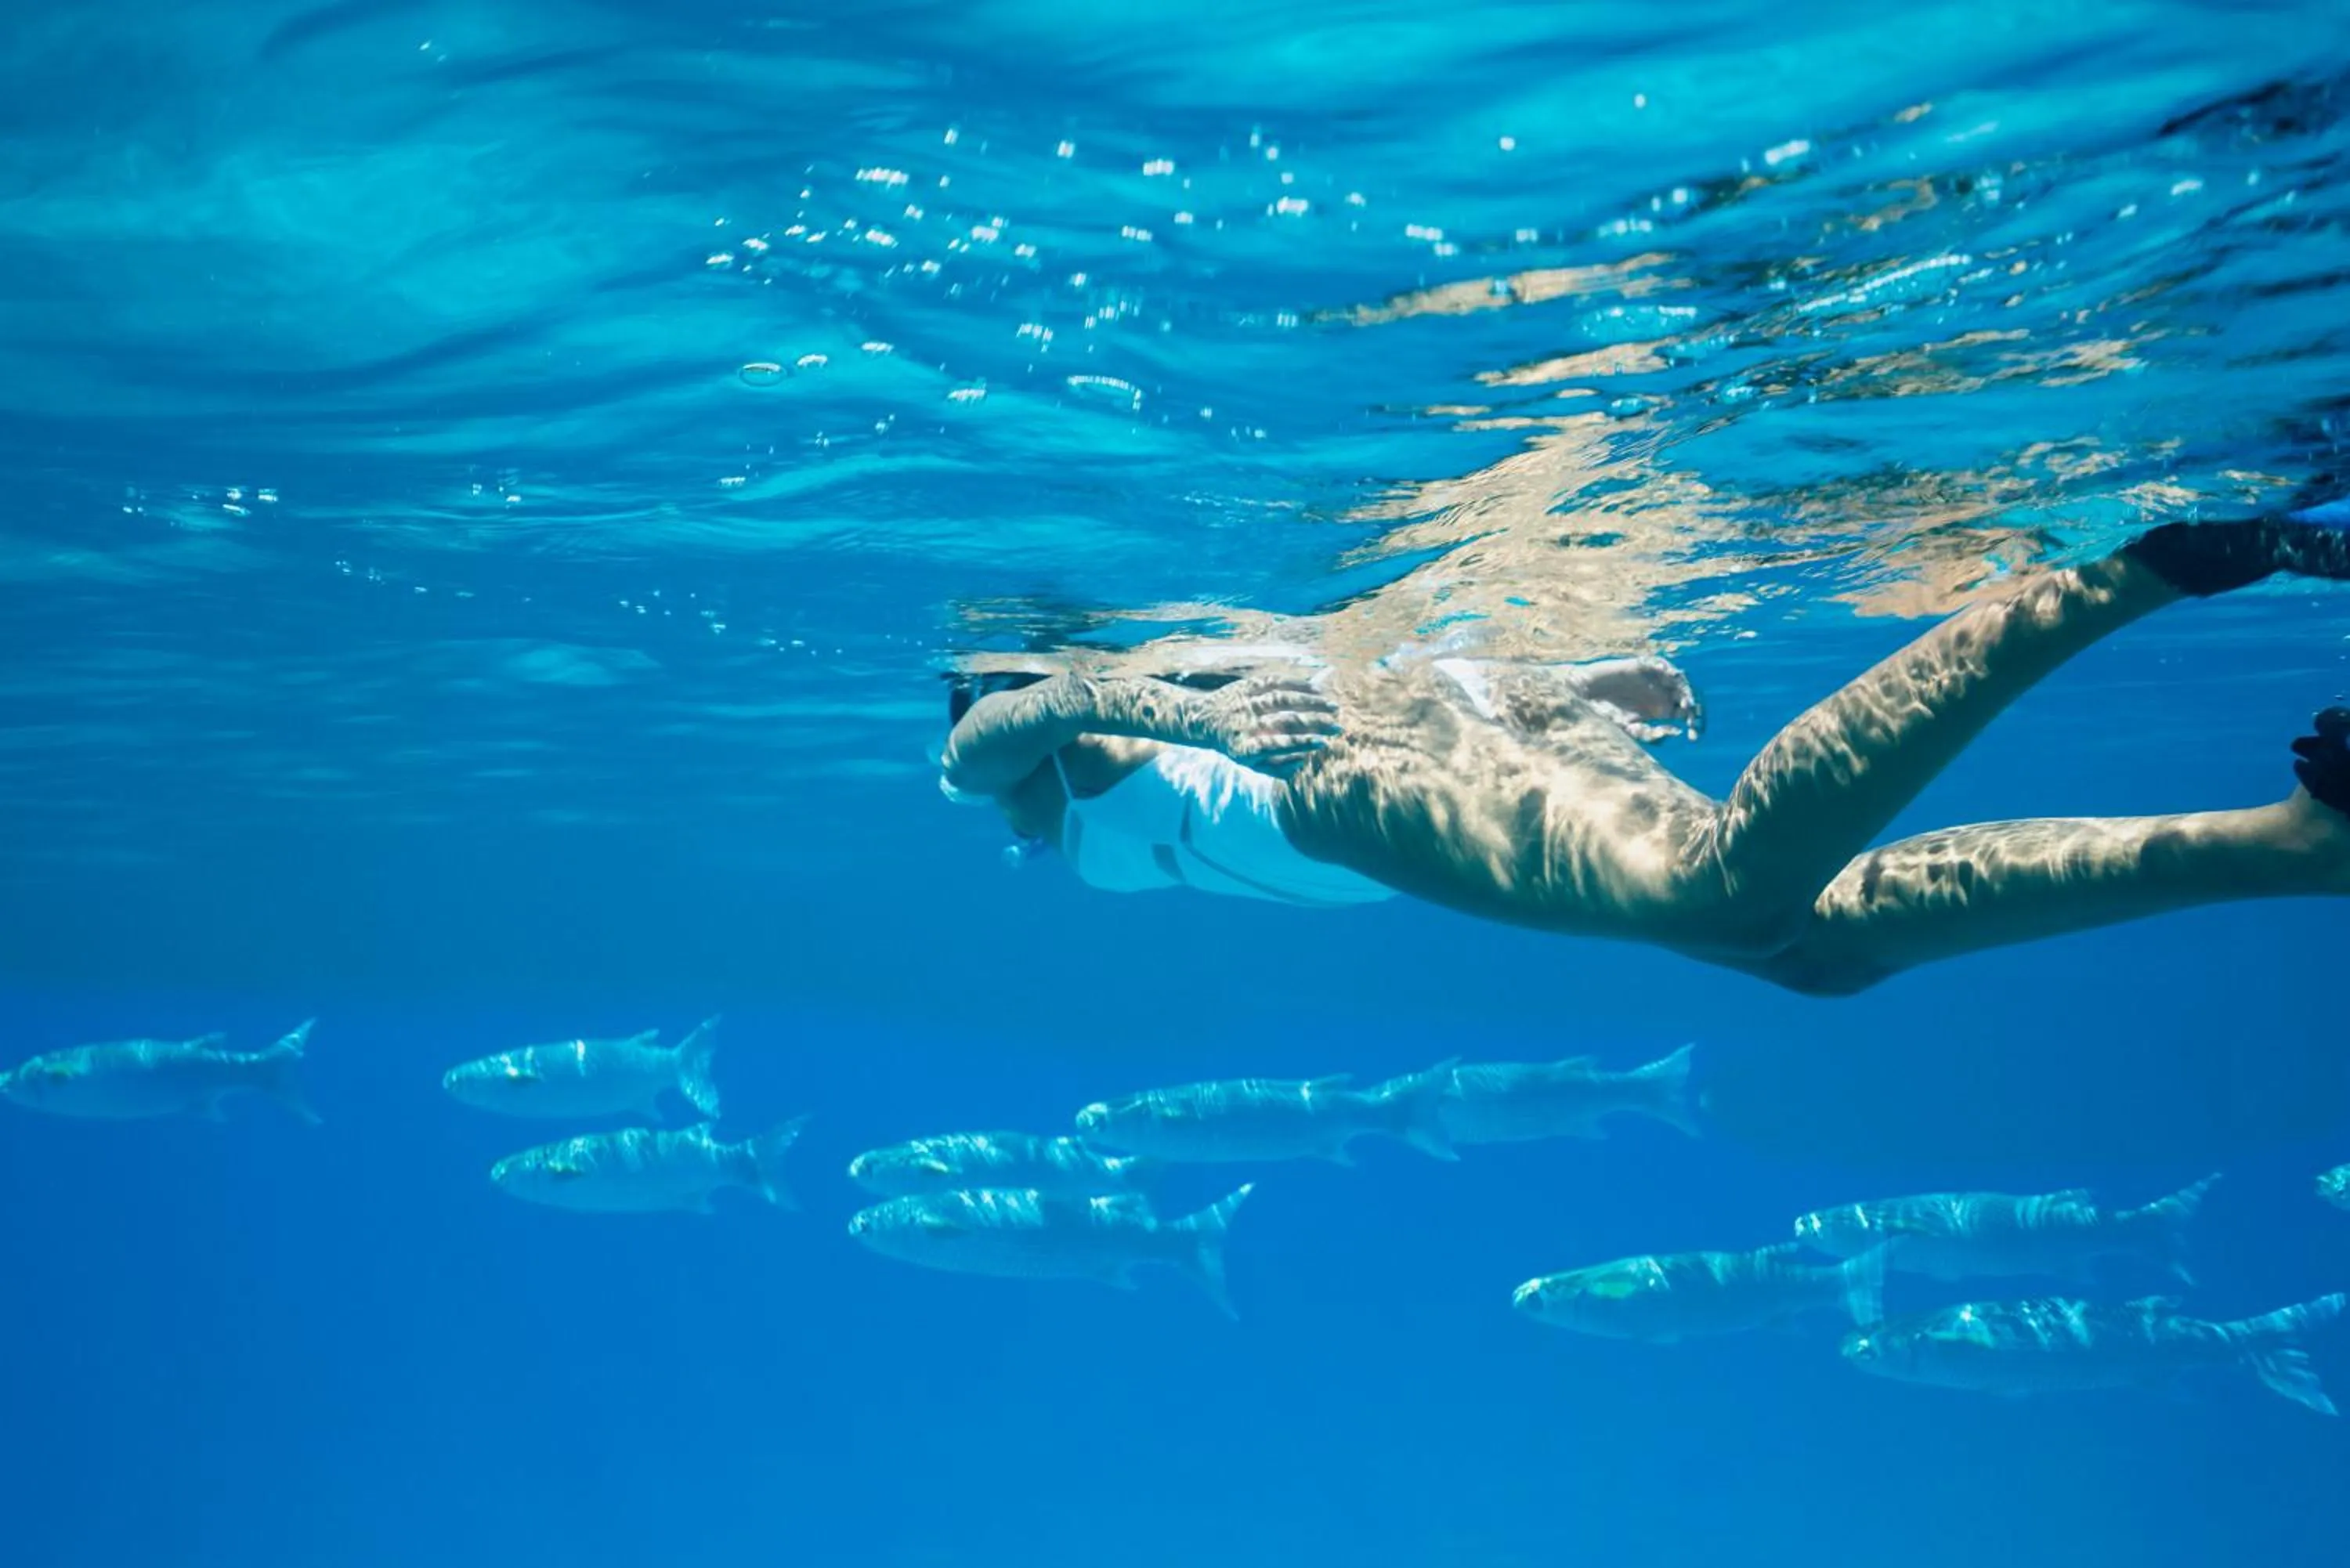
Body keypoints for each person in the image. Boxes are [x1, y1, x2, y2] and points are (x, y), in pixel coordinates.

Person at [938, 513, 2350, 995]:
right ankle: (2300, 845)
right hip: (1417, 750)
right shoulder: (1067, 788)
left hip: (1345, 783)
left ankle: (2138, 573)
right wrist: (1555, 684)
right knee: (1811, 950)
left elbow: (1012, 727)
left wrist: (1194, 714)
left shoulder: (1055, 728)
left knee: (1720, 889)